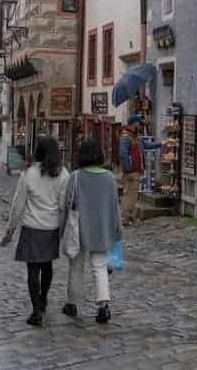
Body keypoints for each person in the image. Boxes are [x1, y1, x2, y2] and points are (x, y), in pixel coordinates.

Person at [1, 135, 68, 326]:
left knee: (33, 270)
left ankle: (36, 310)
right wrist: (62, 230)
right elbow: (64, 205)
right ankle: (44, 298)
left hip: (32, 228)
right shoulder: (63, 174)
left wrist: (10, 230)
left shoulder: (29, 173)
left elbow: (18, 205)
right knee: (47, 267)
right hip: (51, 227)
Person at [63, 138, 122, 325]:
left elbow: (67, 203)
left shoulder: (76, 176)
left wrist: (62, 226)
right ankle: (103, 306)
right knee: (100, 266)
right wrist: (117, 231)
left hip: (79, 227)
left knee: (76, 267)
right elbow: (115, 207)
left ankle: (72, 303)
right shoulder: (109, 177)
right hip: (101, 229)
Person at [118, 116, 144, 226]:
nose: (140, 124)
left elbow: (145, 145)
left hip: (135, 171)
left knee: (132, 195)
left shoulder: (135, 137)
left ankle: (129, 218)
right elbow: (123, 153)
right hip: (131, 172)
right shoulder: (126, 137)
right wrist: (128, 169)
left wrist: (160, 144)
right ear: (134, 123)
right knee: (129, 195)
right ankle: (125, 218)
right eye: (139, 122)